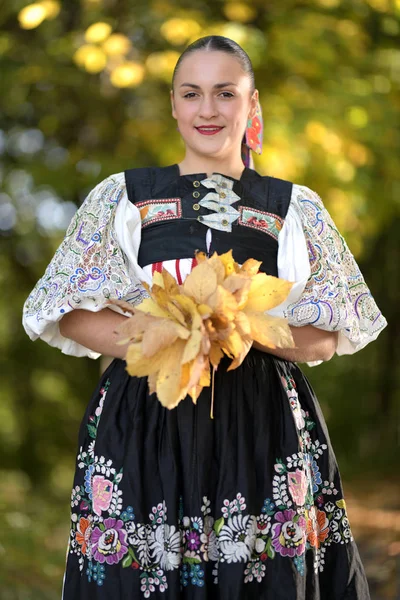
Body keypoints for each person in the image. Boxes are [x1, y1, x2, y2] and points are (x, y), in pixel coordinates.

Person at [22, 35, 386, 600]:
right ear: (173, 103)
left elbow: (329, 334)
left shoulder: (293, 207)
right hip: (145, 416)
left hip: (261, 420)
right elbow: (68, 313)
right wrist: (169, 338)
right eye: (192, 94)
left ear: (251, 102)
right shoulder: (124, 197)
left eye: (225, 93)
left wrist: (238, 329)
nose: (208, 110)